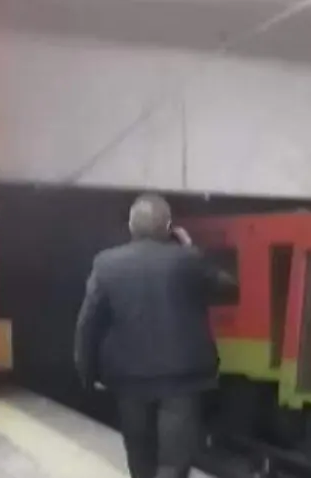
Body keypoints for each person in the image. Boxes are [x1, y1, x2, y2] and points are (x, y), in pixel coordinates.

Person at [74, 193, 234, 478]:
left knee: (140, 460)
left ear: (131, 226)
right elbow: (229, 289)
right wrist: (190, 248)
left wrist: (87, 373)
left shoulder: (107, 264)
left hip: (130, 382)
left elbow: (88, 323)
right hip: (183, 381)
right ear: (169, 227)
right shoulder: (188, 259)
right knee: (173, 464)